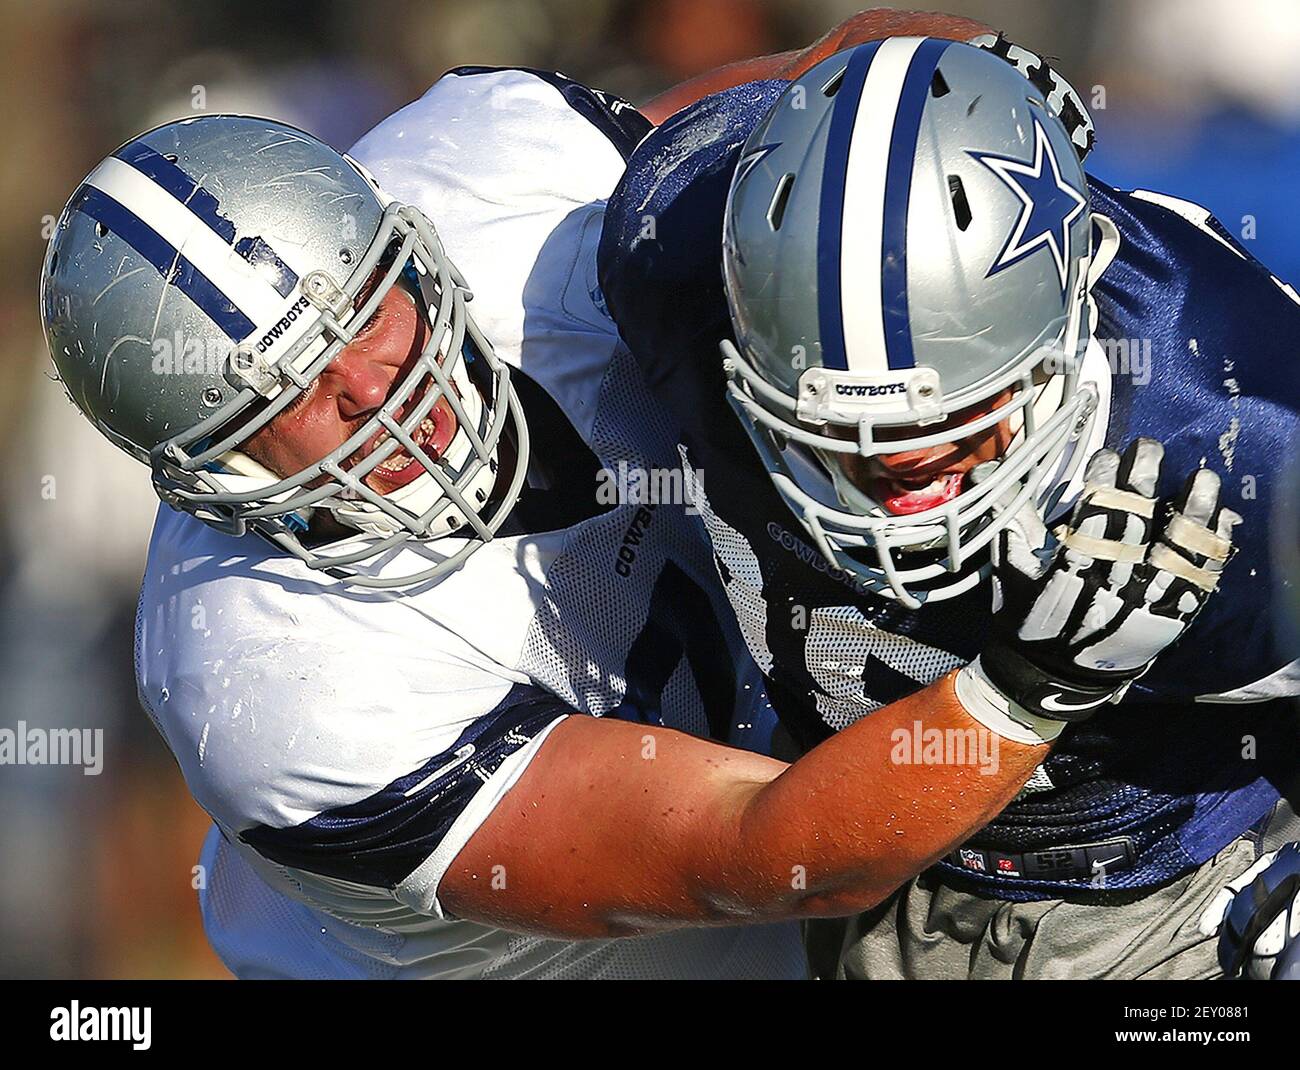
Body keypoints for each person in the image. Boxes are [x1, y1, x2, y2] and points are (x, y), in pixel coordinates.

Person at [596, 32, 1296, 978]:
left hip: (1156, 900)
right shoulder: (669, 249)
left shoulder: (1233, 434)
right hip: (837, 848)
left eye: (960, 423)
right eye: (828, 436)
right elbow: (808, 99)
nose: (896, 484)